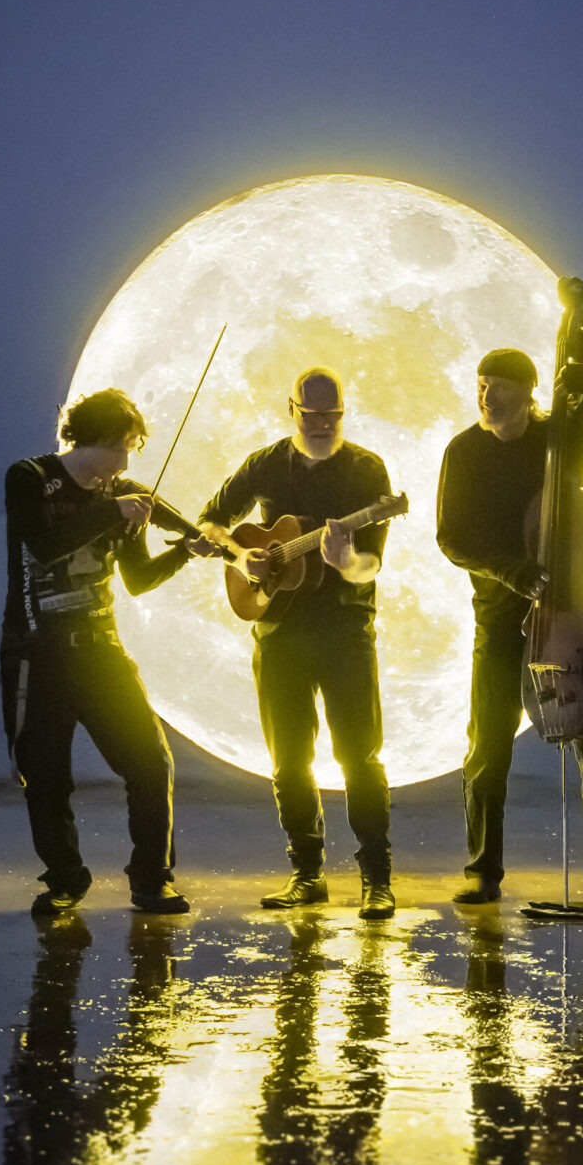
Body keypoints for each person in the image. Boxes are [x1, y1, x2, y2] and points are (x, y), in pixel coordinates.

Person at [436, 346, 583, 908]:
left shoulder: (563, 437)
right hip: (499, 618)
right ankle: (482, 872)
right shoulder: (464, 451)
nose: (487, 395)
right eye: (482, 384)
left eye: (499, 385)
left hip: (569, 618)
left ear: (529, 391)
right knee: (487, 749)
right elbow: (451, 539)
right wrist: (510, 571)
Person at [1, 386, 208, 917]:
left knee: (151, 763)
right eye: (120, 448)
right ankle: (65, 879)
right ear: (90, 440)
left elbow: (138, 579)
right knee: (44, 776)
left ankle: (152, 879)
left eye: (130, 451)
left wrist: (188, 548)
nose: (125, 463)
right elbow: (45, 544)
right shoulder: (29, 477)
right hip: (37, 653)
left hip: (101, 649)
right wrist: (112, 510)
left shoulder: (123, 494)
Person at [199, 366, 396, 920]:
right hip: (278, 631)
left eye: (333, 414)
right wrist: (242, 555)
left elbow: (370, 565)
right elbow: (211, 522)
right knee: (288, 759)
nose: (323, 424)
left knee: (359, 755)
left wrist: (345, 560)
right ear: (292, 410)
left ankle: (376, 879)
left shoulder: (366, 470)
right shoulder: (265, 464)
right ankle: (306, 875)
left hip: (345, 629)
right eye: (312, 415)